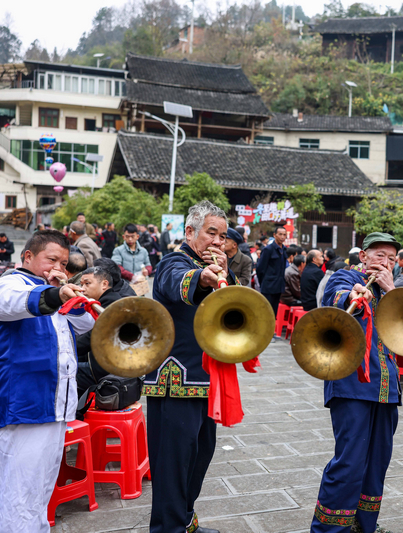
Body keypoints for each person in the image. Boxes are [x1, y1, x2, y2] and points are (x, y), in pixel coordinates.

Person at [0, 229, 95, 532]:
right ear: (27, 257)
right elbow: (7, 303)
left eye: (63, 264)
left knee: (38, 495)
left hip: (55, 408)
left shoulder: (54, 293)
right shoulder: (11, 284)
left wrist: (74, 297)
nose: (58, 270)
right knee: (18, 498)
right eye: (51, 260)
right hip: (23, 406)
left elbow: (87, 323)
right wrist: (54, 293)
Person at [143, 201, 234, 533]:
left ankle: (183, 521)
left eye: (222, 237)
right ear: (190, 232)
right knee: (173, 462)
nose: (217, 242)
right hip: (174, 379)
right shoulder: (174, 261)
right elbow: (175, 282)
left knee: (200, 455)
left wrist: (226, 275)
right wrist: (203, 277)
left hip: (206, 378)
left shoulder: (220, 268)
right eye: (212, 233)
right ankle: (167, 528)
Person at [312, 232, 401, 533]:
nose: (385, 262)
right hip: (351, 383)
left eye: (391, 258)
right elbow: (332, 300)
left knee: (377, 463)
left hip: (387, 386)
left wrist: (391, 291)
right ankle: (328, 529)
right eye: (379, 255)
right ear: (363, 256)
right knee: (349, 461)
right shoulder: (344, 278)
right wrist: (352, 295)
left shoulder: (396, 289)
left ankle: (363, 525)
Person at [75, 266, 124, 395]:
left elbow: (92, 337)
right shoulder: (106, 301)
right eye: (81, 285)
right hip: (104, 365)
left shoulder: (111, 304)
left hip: (104, 371)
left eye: (87, 284)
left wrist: (65, 346)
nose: (82, 289)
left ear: (104, 284)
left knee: (60, 372)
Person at [255, 225, 287, 316]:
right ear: (275, 235)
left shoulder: (284, 249)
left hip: (279, 286)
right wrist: (264, 282)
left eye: (284, 235)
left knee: (274, 313)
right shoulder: (268, 249)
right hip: (268, 286)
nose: (282, 237)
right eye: (280, 234)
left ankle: (272, 330)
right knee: (266, 312)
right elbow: (260, 269)